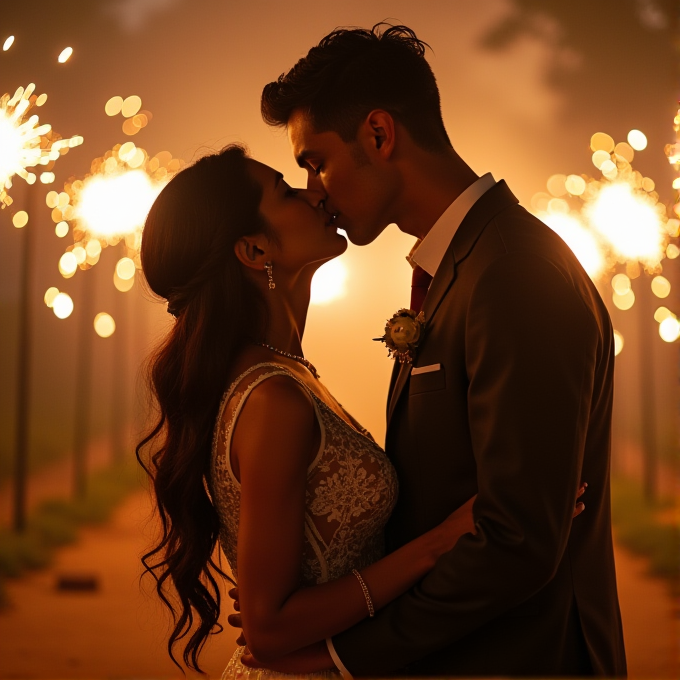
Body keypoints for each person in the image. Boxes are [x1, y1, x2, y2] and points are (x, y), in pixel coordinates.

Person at [229, 23, 627, 678]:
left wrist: (342, 653)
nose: (316, 191)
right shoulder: (461, 270)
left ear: (379, 135)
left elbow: (517, 542)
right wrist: (314, 599)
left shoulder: (513, 272)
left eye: (317, 161)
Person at [138, 144, 487, 676]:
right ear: (255, 251)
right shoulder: (272, 399)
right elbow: (269, 627)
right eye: (285, 191)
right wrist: (439, 544)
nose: (314, 193)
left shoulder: (287, 373)